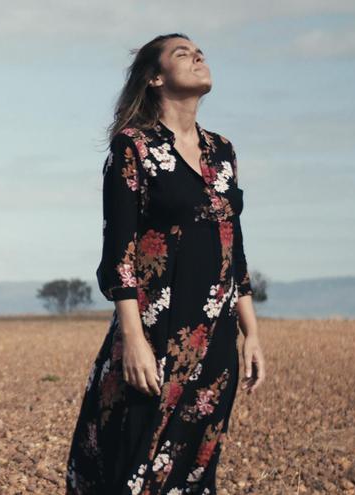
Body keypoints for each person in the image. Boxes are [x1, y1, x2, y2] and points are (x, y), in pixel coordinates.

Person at [65, 33, 266, 494]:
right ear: (155, 78)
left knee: (194, 471)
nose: (198, 56)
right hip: (154, 335)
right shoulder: (132, 148)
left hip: (215, 340)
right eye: (182, 53)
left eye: (199, 51)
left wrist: (251, 332)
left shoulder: (223, 151)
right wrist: (133, 340)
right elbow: (118, 255)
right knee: (135, 465)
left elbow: (234, 247)